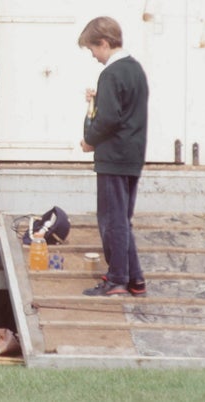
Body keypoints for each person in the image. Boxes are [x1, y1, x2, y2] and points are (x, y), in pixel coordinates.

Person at [78, 16, 148, 297]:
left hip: (113, 157)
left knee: (111, 219)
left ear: (104, 43)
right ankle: (135, 279)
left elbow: (108, 119)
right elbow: (126, 111)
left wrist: (88, 140)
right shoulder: (136, 70)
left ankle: (117, 277)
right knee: (123, 219)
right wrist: (97, 100)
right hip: (132, 156)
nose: (93, 56)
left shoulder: (111, 73)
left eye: (93, 49)